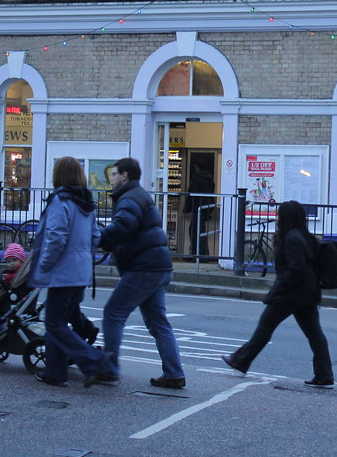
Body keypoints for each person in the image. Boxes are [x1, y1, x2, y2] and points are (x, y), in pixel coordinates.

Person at [222, 200, 334, 387]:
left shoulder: (291, 238)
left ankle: (240, 360)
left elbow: (295, 269)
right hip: (308, 292)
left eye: (279, 214)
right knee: (314, 333)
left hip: (291, 293)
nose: (276, 217)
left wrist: (278, 289)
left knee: (265, 326)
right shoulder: (304, 236)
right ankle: (324, 374)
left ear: (286, 217)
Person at [99, 157, 186, 389]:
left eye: (114, 175)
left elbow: (122, 228)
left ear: (124, 176)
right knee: (158, 322)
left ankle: (109, 369)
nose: (112, 179)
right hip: (158, 266)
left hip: (143, 268)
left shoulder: (129, 198)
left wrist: (99, 237)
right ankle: (174, 373)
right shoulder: (137, 195)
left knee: (113, 313)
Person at [26, 156, 109, 388]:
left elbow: (55, 237)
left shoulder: (60, 201)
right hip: (81, 272)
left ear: (58, 175)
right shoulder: (87, 203)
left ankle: (94, 360)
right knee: (59, 321)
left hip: (62, 272)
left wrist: (44, 265)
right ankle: (55, 372)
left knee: (54, 323)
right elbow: (95, 237)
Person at [183, 164, 214, 257]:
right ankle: (201, 254)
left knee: (195, 230)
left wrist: (187, 208)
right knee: (199, 230)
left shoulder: (197, 179)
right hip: (206, 207)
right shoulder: (209, 179)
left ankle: (198, 254)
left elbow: (192, 194)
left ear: (197, 168)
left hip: (198, 207)